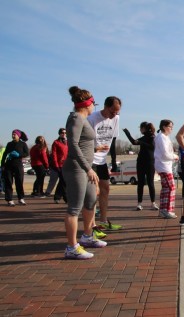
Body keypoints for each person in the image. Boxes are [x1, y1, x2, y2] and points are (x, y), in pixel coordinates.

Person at [63, 86, 105, 260]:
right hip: (76, 168)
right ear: (87, 104)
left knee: (91, 201)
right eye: (93, 104)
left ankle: (87, 237)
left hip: (85, 168)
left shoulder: (82, 119)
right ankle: (71, 247)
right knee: (74, 208)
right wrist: (87, 168)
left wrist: (96, 148)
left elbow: (82, 143)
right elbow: (72, 145)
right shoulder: (76, 118)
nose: (94, 107)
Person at [87, 96, 122, 231]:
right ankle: (92, 225)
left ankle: (103, 220)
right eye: (112, 111)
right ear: (105, 107)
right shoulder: (92, 119)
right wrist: (96, 149)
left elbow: (113, 141)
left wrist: (113, 161)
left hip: (102, 160)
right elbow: (84, 143)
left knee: (105, 189)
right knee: (93, 192)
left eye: (117, 112)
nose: (114, 115)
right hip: (91, 158)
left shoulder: (116, 119)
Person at [123, 122, 157, 211]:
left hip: (150, 162)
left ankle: (153, 203)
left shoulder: (153, 137)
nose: (140, 130)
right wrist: (127, 133)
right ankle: (139, 203)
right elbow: (134, 142)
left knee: (150, 183)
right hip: (140, 162)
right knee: (140, 183)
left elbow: (152, 146)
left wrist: (141, 143)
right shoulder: (143, 138)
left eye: (141, 128)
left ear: (145, 128)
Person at [154, 119, 179, 219]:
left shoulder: (163, 137)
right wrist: (174, 156)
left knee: (166, 188)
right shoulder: (162, 137)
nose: (171, 129)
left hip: (164, 165)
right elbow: (165, 154)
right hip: (163, 165)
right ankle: (167, 210)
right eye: (170, 127)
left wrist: (172, 156)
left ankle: (163, 210)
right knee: (171, 187)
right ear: (164, 127)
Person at [1, 130, 29, 206]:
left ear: (19, 135)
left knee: (19, 182)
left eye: (15, 134)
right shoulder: (9, 144)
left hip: (18, 165)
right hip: (9, 165)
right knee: (9, 182)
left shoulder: (23, 144)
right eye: (12, 134)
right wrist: (2, 164)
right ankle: (9, 199)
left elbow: (27, 153)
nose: (13, 135)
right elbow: (4, 154)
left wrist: (19, 154)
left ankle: (21, 198)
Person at [51, 128, 68, 203]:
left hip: (67, 164)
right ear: (59, 133)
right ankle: (66, 198)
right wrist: (56, 165)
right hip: (59, 165)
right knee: (64, 181)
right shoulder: (56, 142)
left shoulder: (68, 142)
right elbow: (54, 154)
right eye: (62, 133)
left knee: (62, 181)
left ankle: (57, 197)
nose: (63, 134)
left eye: (65, 133)